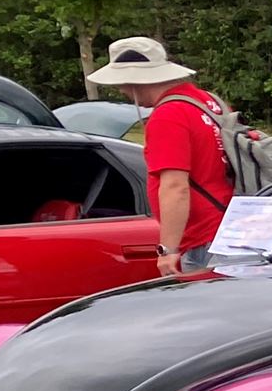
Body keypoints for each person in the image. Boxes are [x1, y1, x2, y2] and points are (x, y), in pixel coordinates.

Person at [85, 36, 235, 276]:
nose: (121, 90)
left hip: (204, 239)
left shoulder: (167, 115)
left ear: (135, 79)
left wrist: (168, 249)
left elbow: (175, 186)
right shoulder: (208, 101)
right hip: (233, 228)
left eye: (122, 83)